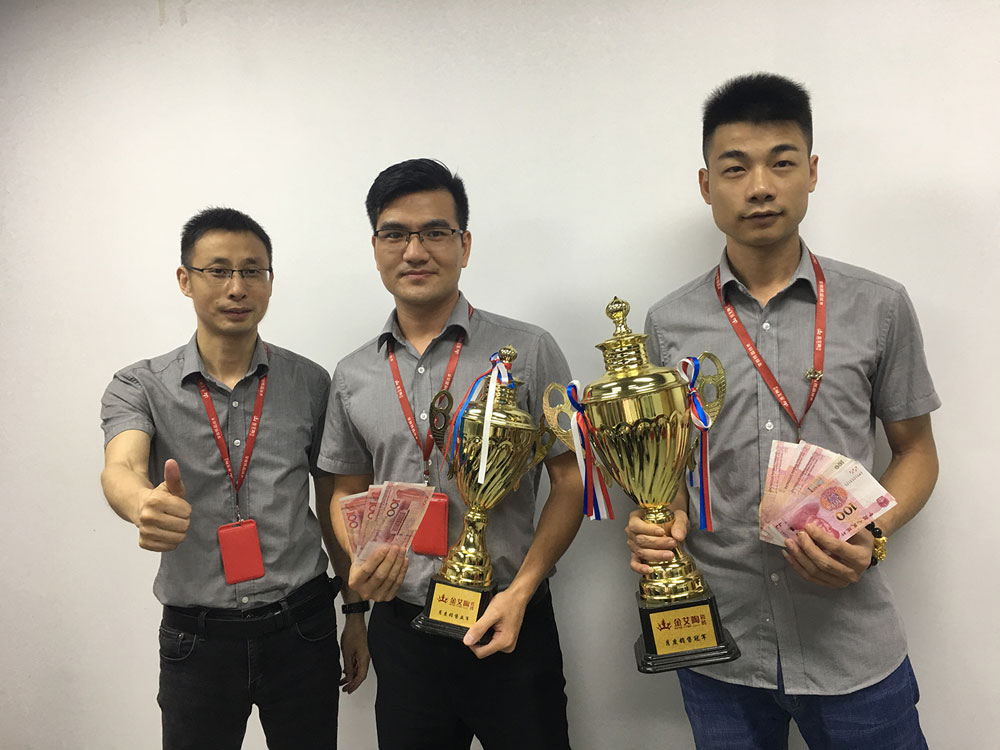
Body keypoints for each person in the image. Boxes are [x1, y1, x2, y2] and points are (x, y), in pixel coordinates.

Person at [628, 73, 940, 749]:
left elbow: (917, 451)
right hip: (721, 649)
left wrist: (874, 534)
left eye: (782, 162)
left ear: (812, 172)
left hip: (851, 647)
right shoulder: (668, 323)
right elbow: (669, 466)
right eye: (735, 168)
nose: (761, 186)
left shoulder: (878, 305)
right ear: (707, 184)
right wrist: (660, 519)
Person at [318, 158, 583, 749]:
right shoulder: (353, 375)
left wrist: (521, 591)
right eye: (395, 234)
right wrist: (363, 555)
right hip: (404, 631)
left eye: (435, 232)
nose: (415, 251)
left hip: (511, 621)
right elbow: (344, 490)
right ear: (375, 248)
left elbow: (570, 482)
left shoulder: (529, 350)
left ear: (464, 244)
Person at [100, 207, 368, 749]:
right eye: (218, 270)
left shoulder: (311, 383)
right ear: (185, 279)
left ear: (270, 280)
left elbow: (332, 501)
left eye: (252, 271)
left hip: (303, 626)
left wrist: (356, 611)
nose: (236, 287)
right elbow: (121, 466)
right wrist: (141, 504)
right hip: (197, 639)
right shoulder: (140, 385)